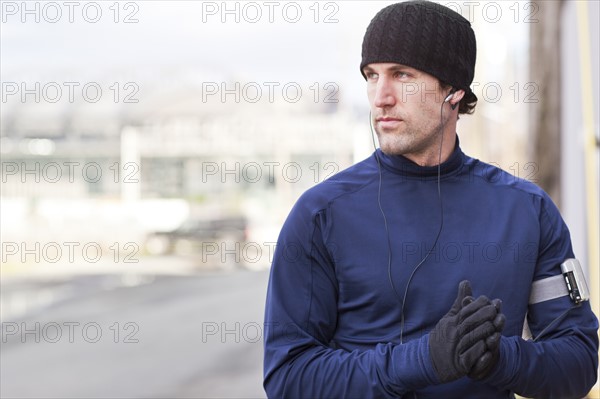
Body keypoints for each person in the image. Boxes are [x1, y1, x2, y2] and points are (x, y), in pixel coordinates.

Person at [262, 1, 599, 398]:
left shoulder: (528, 210)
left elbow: (578, 362)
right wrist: (424, 360)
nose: (380, 97)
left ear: (454, 90)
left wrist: (500, 360)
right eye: (372, 76)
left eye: (401, 74)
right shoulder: (319, 214)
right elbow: (288, 376)